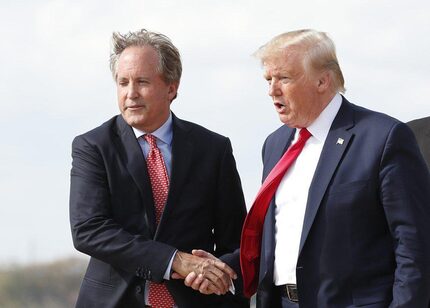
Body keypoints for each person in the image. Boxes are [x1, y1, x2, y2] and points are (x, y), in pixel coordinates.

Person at [237, 29, 430, 307]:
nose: (272, 90)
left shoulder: (383, 137)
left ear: (322, 81)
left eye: (284, 78)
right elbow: (284, 238)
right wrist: (225, 265)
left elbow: (415, 247)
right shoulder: (275, 143)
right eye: (269, 79)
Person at [69, 29, 248, 308]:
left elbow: (237, 239)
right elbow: (89, 230)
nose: (131, 94)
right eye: (123, 82)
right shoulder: (93, 147)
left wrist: (215, 272)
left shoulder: (213, 149)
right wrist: (173, 260)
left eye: (142, 82)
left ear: (171, 87)